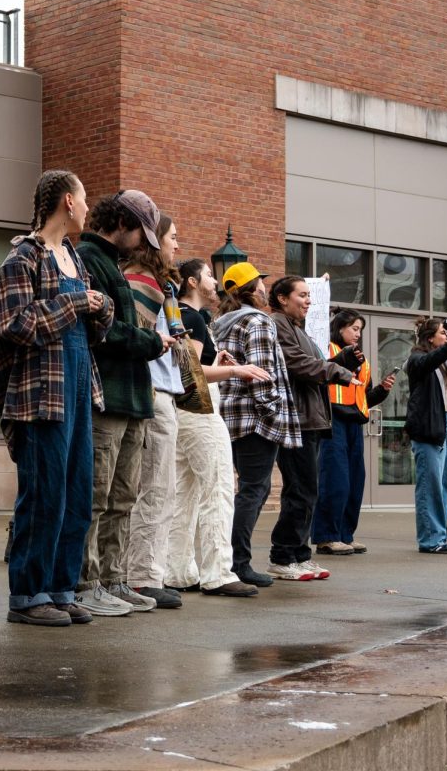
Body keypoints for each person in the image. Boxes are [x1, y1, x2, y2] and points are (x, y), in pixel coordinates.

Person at [0, 170, 113, 627]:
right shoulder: (22, 259)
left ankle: (60, 589)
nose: (86, 208)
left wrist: (101, 308)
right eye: (83, 199)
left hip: (80, 391)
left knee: (78, 494)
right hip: (41, 398)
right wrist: (79, 304)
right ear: (66, 201)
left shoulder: (75, 259)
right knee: (44, 497)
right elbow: (17, 325)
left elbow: (94, 331)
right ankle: (27, 595)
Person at [75, 190, 176, 616]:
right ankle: (86, 583)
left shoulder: (109, 263)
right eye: (141, 234)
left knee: (122, 497)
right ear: (123, 222)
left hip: (133, 397)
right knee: (97, 497)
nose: (143, 245)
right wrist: (152, 341)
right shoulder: (89, 258)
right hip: (110, 396)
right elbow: (106, 331)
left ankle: (113, 579)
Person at [165, 258, 268, 597]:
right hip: (201, 413)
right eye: (209, 274)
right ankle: (218, 572)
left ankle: (178, 570)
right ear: (192, 282)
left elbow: (193, 367)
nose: (214, 280)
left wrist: (217, 363)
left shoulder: (181, 315)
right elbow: (190, 372)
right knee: (219, 489)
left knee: (186, 493)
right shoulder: (191, 316)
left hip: (184, 414)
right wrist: (237, 371)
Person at [211, 262, 298, 588]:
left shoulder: (221, 322)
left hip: (231, 416)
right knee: (254, 490)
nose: (265, 287)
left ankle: (231, 559)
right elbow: (262, 372)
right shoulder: (258, 321)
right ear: (253, 288)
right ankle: (239, 563)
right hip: (256, 420)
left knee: (243, 490)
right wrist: (273, 412)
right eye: (261, 283)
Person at [266, 277, 358, 581]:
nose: (308, 301)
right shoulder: (278, 324)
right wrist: (338, 370)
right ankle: (282, 556)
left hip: (311, 421)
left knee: (307, 491)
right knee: (300, 490)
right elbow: (297, 364)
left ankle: (299, 556)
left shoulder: (296, 328)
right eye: (302, 295)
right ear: (282, 298)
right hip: (297, 421)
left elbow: (311, 362)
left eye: (309, 295)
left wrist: (338, 360)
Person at [120, 215, 185, 609]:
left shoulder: (163, 286)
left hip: (164, 392)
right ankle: (142, 576)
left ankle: (147, 573)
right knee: (154, 490)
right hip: (152, 391)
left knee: (162, 490)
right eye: (172, 238)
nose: (177, 245)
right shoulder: (141, 280)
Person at [312, 309, 395, 555]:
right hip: (332, 422)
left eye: (360, 329)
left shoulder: (362, 361)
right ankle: (326, 537)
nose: (358, 334)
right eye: (354, 328)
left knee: (354, 482)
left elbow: (362, 398)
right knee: (334, 480)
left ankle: (345, 535)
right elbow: (318, 379)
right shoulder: (325, 350)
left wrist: (381, 391)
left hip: (354, 424)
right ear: (339, 328)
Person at [404, 317, 447, 554]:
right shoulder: (416, 359)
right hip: (431, 426)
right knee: (430, 486)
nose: (446, 336)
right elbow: (430, 360)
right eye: (443, 332)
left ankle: (440, 536)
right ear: (430, 338)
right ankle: (430, 540)